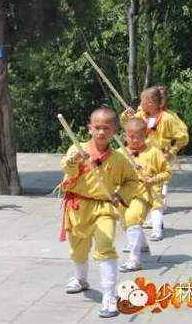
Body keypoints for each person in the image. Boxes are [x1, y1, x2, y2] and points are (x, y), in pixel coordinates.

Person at [59, 107, 139, 318]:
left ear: (115, 131)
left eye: (106, 128)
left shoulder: (119, 159)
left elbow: (132, 180)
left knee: (106, 246)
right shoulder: (77, 149)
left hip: (104, 208)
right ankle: (81, 278)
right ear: (90, 128)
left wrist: (120, 195)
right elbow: (66, 168)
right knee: (78, 250)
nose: (101, 132)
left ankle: (110, 296)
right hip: (78, 207)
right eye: (97, 127)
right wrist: (75, 160)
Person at [122, 86, 188, 240]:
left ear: (150, 102)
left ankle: (157, 228)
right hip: (141, 158)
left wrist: (172, 151)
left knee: (156, 195)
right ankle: (140, 224)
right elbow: (128, 125)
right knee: (139, 194)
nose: (140, 104)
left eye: (142, 101)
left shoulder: (168, 118)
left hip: (159, 157)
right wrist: (126, 116)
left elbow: (183, 136)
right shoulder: (140, 115)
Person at [117, 118, 171, 272]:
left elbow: (167, 172)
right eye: (131, 136)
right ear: (125, 136)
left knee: (133, 217)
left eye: (139, 137)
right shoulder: (119, 153)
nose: (135, 140)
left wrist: (153, 180)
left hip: (142, 193)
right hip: (122, 194)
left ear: (146, 135)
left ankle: (134, 260)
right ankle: (142, 244)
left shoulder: (153, 152)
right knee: (125, 222)